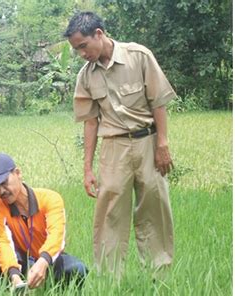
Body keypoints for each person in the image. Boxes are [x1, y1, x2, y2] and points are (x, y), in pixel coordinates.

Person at [64, 11, 175, 275]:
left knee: (154, 207)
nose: (81, 53)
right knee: (109, 213)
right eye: (76, 50)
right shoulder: (86, 76)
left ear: (99, 34)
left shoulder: (138, 57)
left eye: (83, 46)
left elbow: (158, 102)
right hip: (113, 147)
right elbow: (90, 123)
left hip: (147, 141)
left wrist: (162, 143)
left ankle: (158, 274)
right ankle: (109, 278)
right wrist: (87, 169)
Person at [0, 153, 87, 290]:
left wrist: (43, 262)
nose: (1, 191)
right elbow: (1, 243)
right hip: (19, 261)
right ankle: (12, 289)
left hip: (48, 260)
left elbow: (56, 236)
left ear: (18, 173)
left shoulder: (50, 198)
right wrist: (13, 274)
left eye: (4, 182)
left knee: (77, 270)